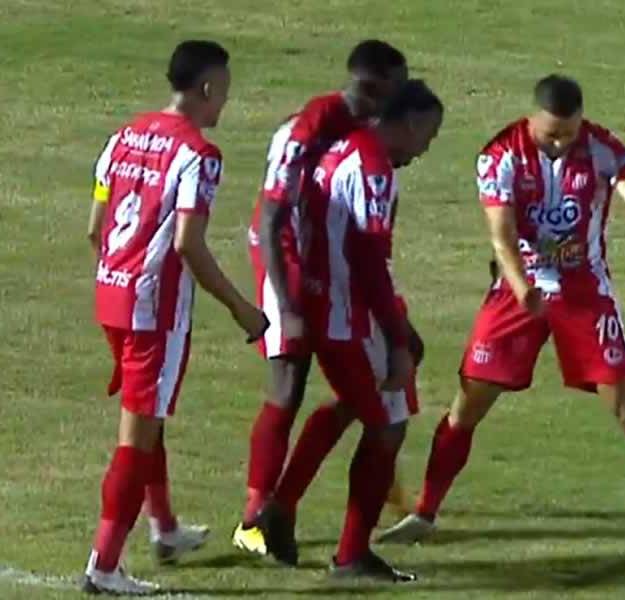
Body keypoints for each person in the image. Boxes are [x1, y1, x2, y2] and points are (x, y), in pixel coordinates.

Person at [379, 74, 625, 551]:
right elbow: (500, 236)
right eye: (551, 134)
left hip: (584, 293)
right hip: (515, 294)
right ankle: (425, 512)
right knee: (468, 404)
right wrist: (523, 288)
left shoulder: (601, 147)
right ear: (532, 120)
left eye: (569, 132)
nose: (562, 142)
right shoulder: (500, 155)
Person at [83, 40, 268, 596]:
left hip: (110, 297)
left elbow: (96, 226)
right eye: (225, 93)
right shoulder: (198, 155)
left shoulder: (122, 137)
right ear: (208, 88)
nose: (225, 105)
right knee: (136, 439)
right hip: (153, 314)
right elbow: (189, 244)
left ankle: (163, 529)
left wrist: (121, 275)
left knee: (147, 418)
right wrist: (242, 309)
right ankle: (105, 565)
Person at [233, 39, 420, 556]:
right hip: (285, 260)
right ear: (375, 83)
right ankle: (256, 515)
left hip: (325, 263)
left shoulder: (361, 134)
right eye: (397, 85)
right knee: (289, 380)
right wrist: (288, 307)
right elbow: (272, 221)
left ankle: (281, 507)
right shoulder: (307, 128)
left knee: (349, 378)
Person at [261, 79, 443, 581]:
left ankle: (285, 503)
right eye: (426, 136)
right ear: (408, 123)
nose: (424, 149)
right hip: (347, 314)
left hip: (325, 300)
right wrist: (398, 336)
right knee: (388, 426)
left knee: (353, 404)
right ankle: (348, 552)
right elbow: (368, 263)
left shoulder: (339, 148)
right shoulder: (373, 170)